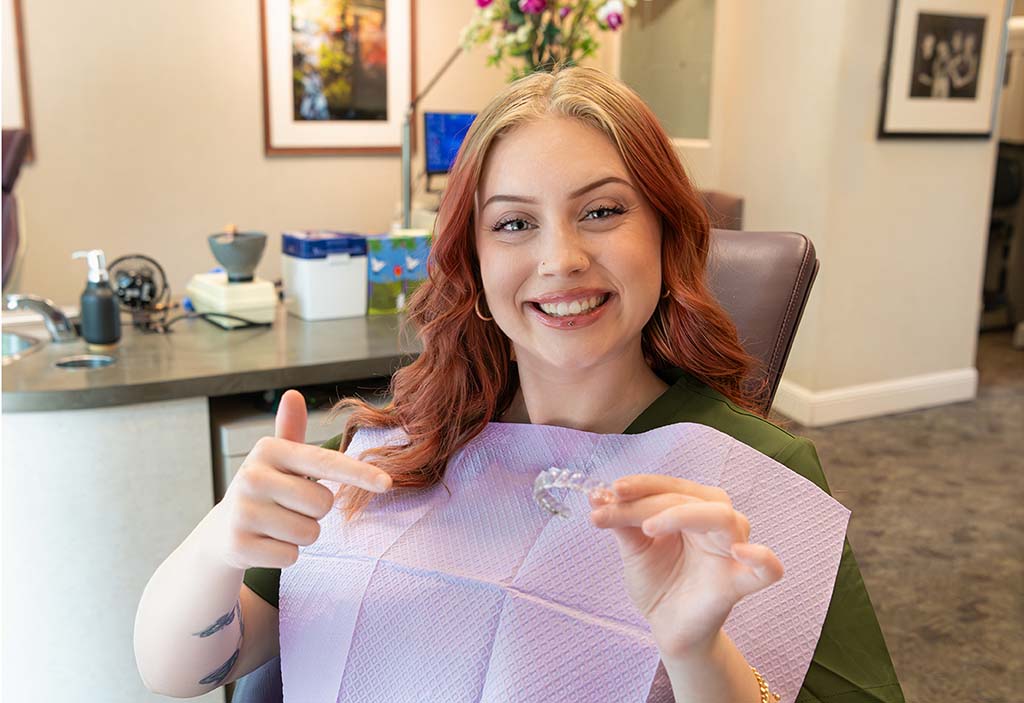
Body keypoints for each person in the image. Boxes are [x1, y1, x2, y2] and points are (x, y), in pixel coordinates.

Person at [134, 66, 905, 702]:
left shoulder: (750, 475)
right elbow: (179, 675)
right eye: (513, 223)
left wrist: (700, 656)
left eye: (601, 211)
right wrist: (219, 541)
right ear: (471, 259)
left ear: (667, 234)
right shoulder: (394, 450)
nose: (560, 258)